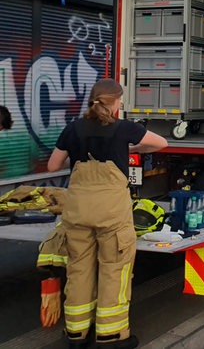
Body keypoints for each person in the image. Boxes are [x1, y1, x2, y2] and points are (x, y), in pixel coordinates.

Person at [47, 79, 167, 349]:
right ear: (115, 102)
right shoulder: (124, 128)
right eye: (120, 100)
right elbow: (162, 143)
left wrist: (80, 155)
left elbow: (54, 163)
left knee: (78, 270)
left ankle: (76, 335)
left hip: (78, 211)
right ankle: (111, 338)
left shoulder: (73, 129)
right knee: (114, 270)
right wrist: (132, 148)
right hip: (111, 213)